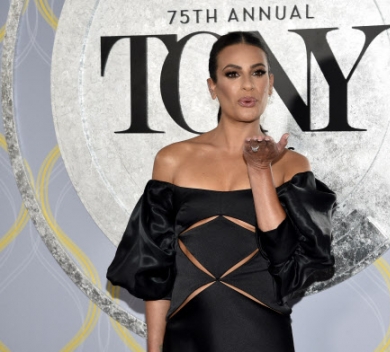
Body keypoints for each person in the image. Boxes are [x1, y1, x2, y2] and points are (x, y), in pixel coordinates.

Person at [107, 31, 336, 352]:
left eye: (257, 73)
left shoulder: (291, 165)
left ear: (270, 83)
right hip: (187, 338)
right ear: (212, 87)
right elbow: (156, 271)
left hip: (263, 336)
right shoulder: (173, 160)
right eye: (232, 74)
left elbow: (287, 264)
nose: (247, 85)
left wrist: (260, 171)